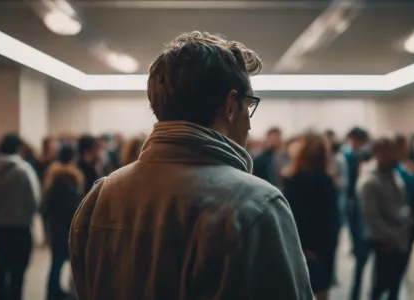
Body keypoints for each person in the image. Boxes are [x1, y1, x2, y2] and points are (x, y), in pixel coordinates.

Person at [69, 31, 313, 300]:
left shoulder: (101, 196)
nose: (251, 123)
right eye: (249, 104)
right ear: (231, 105)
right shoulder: (257, 205)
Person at [0, 134, 41, 300]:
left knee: (1, 268)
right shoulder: (24, 170)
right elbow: (34, 201)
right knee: (18, 271)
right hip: (20, 228)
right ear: (18, 148)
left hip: (0, 227)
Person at [283, 133, 339, 300]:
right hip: (323, 245)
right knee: (322, 290)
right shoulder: (326, 181)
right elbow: (331, 219)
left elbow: (292, 217)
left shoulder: (291, 180)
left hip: (298, 243)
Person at [357, 138, 412, 300]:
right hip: (384, 242)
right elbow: (370, 216)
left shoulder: (394, 173)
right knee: (379, 287)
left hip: (400, 238)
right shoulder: (369, 180)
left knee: (394, 287)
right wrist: (388, 239)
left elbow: (401, 203)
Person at [41, 146, 83, 300]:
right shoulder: (70, 179)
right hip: (65, 228)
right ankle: (54, 293)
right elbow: (74, 206)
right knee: (61, 262)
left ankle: (54, 291)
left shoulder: (53, 177)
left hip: (55, 227)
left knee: (56, 262)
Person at [342, 126, 370, 300]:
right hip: (354, 205)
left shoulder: (362, 156)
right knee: (361, 254)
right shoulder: (349, 156)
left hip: (360, 205)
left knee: (362, 255)